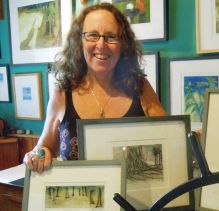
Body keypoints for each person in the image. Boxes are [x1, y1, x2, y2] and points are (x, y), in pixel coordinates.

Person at [24, 3, 166, 173]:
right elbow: (45, 147)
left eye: (111, 36)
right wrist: (36, 155)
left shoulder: (140, 88)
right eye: (92, 35)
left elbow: (170, 137)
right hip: (79, 198)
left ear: (123, 44)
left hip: (135, 199)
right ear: (79, 42)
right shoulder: (62, 92)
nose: (101, 44)